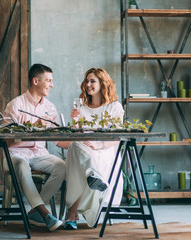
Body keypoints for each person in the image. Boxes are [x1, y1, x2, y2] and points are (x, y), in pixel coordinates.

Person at [2, 63, 66, 232]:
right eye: (49, 80)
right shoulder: (15, 105)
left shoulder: (50, 107)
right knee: (22, 165)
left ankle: (35, 211)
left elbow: (57, 140)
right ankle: (45, 213)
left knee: (61, 166)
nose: (52, 84)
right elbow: (8, 140)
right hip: (15, 154)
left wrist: (79, 141)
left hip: (39, 154)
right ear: (35, 81)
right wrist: (32, 126)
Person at [64, 68, 124, 230]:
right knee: (77, 146)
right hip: (83, 148)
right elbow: (76, 136)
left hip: (105, 149)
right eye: (87, 81)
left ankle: (71, 214)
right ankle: (94, 175)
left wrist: (99, 145)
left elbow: (117, 138)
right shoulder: (81, 108)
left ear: (102, 84)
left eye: (93, 81)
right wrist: (75, 121)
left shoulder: (114, 107)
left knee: (80, 157)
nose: (88, 84)